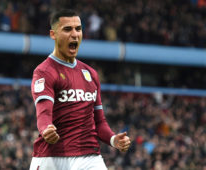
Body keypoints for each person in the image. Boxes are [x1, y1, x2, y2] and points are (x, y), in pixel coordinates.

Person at [29, 9, 131, 170]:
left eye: (78, 29)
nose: (75, 34)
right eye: (67, 29)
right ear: (53, 34)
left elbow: (99, 121)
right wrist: (46, 129)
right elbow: (43, 113)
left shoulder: (90, 74)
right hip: (51, 156)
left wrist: (113, 140)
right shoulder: (44, 71)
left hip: (89, 156)